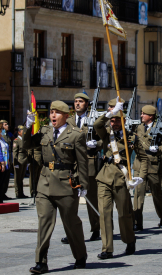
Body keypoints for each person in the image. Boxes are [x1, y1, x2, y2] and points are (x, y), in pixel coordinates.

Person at [24, 100, 89, 273]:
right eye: (51, 112)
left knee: (71, 223)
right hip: (44, 182)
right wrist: (27, 127)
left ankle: (80, 255)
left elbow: (82, 162)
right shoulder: (44, 131)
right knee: (44, 222)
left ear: (66, 116)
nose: (53, 115)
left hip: (66, 184)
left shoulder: (76, 134)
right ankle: (41, 262)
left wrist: (83, 184)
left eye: (57, 112)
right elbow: (26, 145)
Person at [93, 97, 147, 259]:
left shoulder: (131, 137)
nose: (114, 122)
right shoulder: (106, 133)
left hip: (122, 178)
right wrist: (109, 113)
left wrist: (140, 177)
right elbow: (97, 125)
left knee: (124, 214)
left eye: (118, 119)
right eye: (113, 120)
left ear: (124, 120)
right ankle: (107, 248)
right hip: (104, 177)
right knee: (104, 213)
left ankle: (130, 240)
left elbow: (143, 158)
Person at [61, 92, 102, 244]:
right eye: (76, 101)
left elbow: (103, 140)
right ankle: (71, 231)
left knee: (92, 198)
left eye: (81, 101)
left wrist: (95, 145)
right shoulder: (69, 120)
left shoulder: (94, 120)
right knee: (70, 201)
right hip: (72, 165)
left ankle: (96, 228)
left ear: (87, 104)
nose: (77, 104)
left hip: (89, 163)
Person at [133, 105, 162, 231]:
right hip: (139, 163)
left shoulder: (159, 128)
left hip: (153, 164)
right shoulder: (139, 127)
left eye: (143, 113)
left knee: (157, 194)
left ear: (151, 116)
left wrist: (158, 149)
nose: (141, 115)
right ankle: (137, 222)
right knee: (138, 194)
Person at [13, 126, 29, 199]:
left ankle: (21, 192)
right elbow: (15, 152)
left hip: (24, 160)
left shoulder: (24, 140)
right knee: (17, 178)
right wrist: (15, 163)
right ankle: (18, 193)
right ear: (19, 132)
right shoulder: (16, 140)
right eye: (22, 130)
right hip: (19, 160)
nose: (24, 132)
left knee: (21, 178)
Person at [0, 120, 13, 200]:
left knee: (7, 178)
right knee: (3, 178)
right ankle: (1, 193)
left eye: (7, 124)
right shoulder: (1, 136)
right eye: (5, 124)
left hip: (8, 159)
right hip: (4, 159)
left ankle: (4, 192)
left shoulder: (7, 135)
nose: (7, 125)